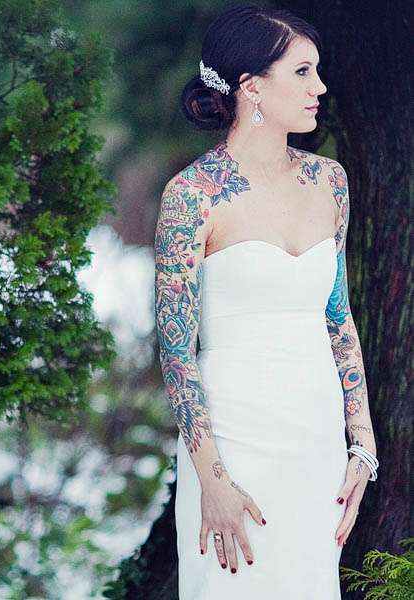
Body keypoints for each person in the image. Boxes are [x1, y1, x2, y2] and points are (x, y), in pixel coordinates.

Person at [153, 4, 379, 599]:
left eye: (317, 71)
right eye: (302, 72)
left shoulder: (330, 182)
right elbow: (175, 353)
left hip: (316, 442)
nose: (319, 87)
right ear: (252, 86)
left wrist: (362, 444)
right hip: (233, 445)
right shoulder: (191, 196)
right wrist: (211, 481)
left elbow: (338, 319)